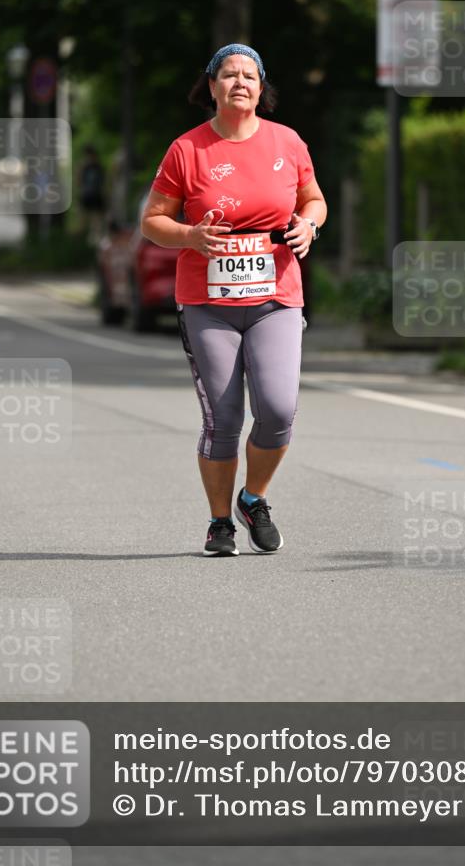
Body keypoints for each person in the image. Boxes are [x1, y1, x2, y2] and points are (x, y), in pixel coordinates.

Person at [141, 44, 327, 557]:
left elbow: (314, 199)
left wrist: (308, 224)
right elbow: (152, 221)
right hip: (207, 302)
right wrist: (189, 237)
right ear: (213, 86)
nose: (240, 82)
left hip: (276, 297)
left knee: (277, 409)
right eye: (229, 75)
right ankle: (219, 521)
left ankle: (253, 498)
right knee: (223, 419)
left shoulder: (287, 142)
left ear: (262, 87)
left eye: (250, 75)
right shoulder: (187, 149)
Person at [77, 145, 106, 241]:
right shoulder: (87, 166)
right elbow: (79, 180)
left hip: (94, 195)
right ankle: (85, 238)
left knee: (95, 218)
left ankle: (94, 238)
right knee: (86, 218)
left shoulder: (96, 166)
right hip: (88, 194)